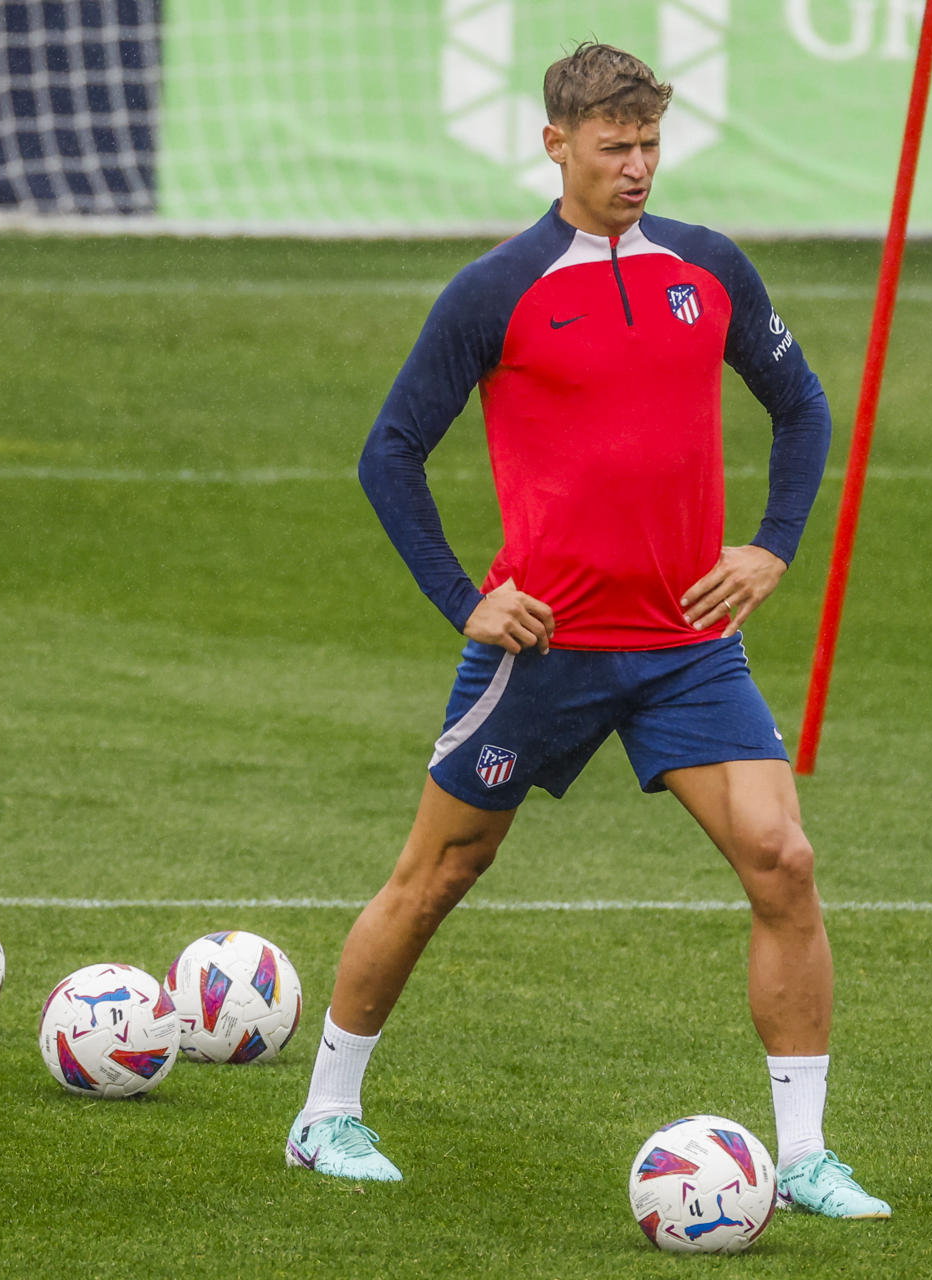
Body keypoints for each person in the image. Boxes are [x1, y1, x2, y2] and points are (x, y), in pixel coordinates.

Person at [283, 41, 889, 1220]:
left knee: (785, 857)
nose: (637, 167)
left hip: (686, 645)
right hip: (544, 650)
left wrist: (771, 543)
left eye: (651, 143)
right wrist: (467, 598)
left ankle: (806, 1149)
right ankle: (326, 1113)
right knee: (440, 872)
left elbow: (803, 403)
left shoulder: (708, 269)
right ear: (555, 143)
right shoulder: (496, 289)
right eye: (614, 146)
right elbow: (389, 452)